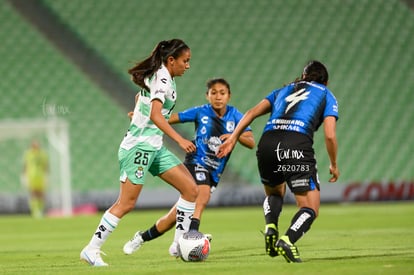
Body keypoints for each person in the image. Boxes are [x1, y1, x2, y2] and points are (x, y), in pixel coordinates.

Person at [80, 39, 199, 267]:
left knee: (190, 190)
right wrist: (180, 139)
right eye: (185, 61)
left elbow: (142, 100)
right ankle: (91, 249)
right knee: (126, 203)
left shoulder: (162, 76)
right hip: (139, 148)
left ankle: (179, 244)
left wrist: (138, 113)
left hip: (153, 146)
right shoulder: (163, 77)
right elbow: (156, 114)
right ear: (171, 60)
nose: (188, 65)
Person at [217, 60, 339, 263]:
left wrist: (232, 138)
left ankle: (271, 226)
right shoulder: (326, 94)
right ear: (325, 81)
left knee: (275, 192)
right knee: (310, 207)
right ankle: (287, 240)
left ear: (303, 76)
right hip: (295, 146)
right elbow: (329, 135)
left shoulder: (283, 90)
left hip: (268, 144)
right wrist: (334, 164)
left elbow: (251, 113)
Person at [123, 77, 255, 257]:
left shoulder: (236, 116)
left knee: (174, 216)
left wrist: (234, 136)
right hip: (195, 162)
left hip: (214, 170)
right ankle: (189, 236)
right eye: (213, 93)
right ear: (207, 96)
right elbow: (170, 118)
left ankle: (141, 238)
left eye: (222, 93)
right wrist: (143, 116)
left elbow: (251, 142)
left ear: (229, 96)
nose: (218, 97)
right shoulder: (201, 112)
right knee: (203, 194)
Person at [22, 140, 48, 218]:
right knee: (33, 193)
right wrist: (24, 176)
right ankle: (34, 211)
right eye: (34, 145)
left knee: (41, 194)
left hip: (41, 176)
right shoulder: (28, 154)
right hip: (31, 176)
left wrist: (47, 176)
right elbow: (25, 165)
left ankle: (41, 210)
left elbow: (46, 166)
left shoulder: (43, 154)